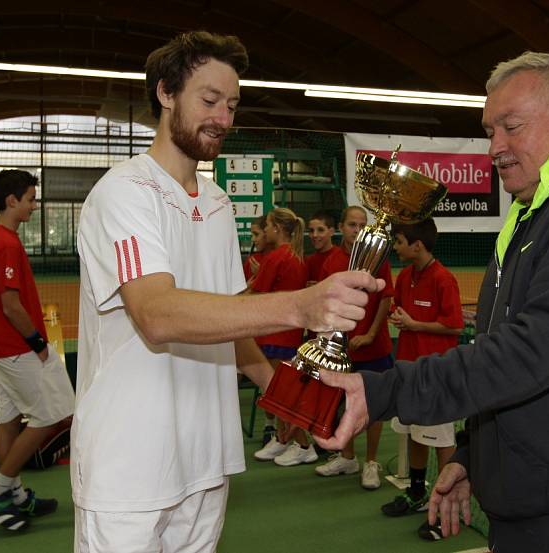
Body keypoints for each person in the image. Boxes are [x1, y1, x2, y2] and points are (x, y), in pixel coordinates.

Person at [317, 51, 549, 553]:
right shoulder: (536, 210)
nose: (494, 147)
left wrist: (383, 392)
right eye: (489, 130)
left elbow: (534, 351)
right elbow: (515, 358)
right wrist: (476, 459)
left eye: (511, 126)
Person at [73, 31, 383, 553]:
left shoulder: (217, 203)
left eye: (232, 105)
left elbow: (234, 322)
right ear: (166, 94)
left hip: (207, 462)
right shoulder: (123, 193)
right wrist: (301, 304)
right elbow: (156, 315)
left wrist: (283, 398)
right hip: (130, 468)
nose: (223, 117)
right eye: (209, 100)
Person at [0, 170, 75, 532]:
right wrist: (38, 344)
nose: (35, 204)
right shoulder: (5, 244)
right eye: (31, 198)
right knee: (52, 414)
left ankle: (13, 495)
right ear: (12, 201)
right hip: (18, 349)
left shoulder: (0, 240)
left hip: (2, 349)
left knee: (9, 418)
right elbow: (11, 305)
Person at [382, 218, 464, 541]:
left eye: (400, 241)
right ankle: (418, 493)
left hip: (437, 375)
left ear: (417, 245)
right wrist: (399, 317)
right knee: (414, 433)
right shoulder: (404, 276)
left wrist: (416, 324)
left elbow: (455, 326)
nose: (396, 246)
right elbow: (399, 311)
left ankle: (448, 511)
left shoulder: (444, 279)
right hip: (408, 371)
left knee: (443, 441)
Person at [314, 206, 394, 490]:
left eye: (362, 224)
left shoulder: (379, 257)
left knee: (375, 406)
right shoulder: (332, 260)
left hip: (374, 347)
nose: (357, 229)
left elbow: (386, 299)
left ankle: (371, 462)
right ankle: (347, 457)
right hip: (341, 350)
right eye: (351, 224)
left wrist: (371, 334)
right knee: (340, 402)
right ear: (341, 226)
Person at [250, 207, 315, 466]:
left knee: (279, 393)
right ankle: (281, 437)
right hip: (286, 333)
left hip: (277, 334)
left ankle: (303, 444)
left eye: (266, 226)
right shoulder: (294, 256)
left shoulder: (277, 257)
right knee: (278, 391)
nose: (264, 231)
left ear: (277, 228)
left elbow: (257, 295)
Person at [305, 210, 336, 287]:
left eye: (320, 230)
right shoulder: (309, 261)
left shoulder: (340, 257)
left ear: (331, 232)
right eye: (311, 231)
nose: (315, 235)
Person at [242, 214, 268, 286]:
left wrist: (261, 275)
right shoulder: (252, 260)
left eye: (256, 234)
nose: (252, 239)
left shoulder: (277, 259)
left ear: (268, 232)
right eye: (252, 235)